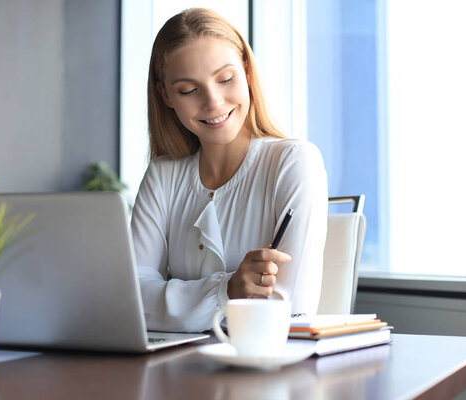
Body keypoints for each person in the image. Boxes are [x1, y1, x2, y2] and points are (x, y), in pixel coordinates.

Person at [131, 7, 328, 332]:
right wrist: (226, 291)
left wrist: (175, 306)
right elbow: (133, 299)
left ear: (247, 72)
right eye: (188, 90)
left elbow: (291, 313)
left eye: (225, 79)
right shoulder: (163, 175)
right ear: (165, 95)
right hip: (178, 372)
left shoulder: (293, 162)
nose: (213, 102)